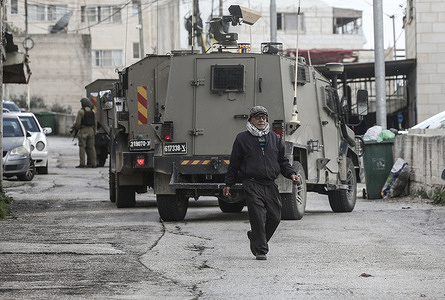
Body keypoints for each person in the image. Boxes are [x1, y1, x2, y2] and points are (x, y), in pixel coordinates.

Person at [223, 106, 299, 260]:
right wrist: (228, 183)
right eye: (257, 117)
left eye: (264, 117)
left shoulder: (274, 138)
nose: (261, 120)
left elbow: (282, 161)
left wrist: (291, 174)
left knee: (275, 217)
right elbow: (234, 164)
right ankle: (261, 250)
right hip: (251, 183)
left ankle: (256, 238)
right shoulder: (242, 138)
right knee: (257, 216)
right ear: (250, 120)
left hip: (270, 183)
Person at [75, 97, 97, 168]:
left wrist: (77, 129)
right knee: (91, 147)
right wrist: (94, 131)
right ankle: (93, 163)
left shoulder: (81, 112)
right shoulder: (92, 111)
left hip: (83, 130)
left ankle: (82, 163)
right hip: (91, 131)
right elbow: (95, 123)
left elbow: (78, 123)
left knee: (82, 147)